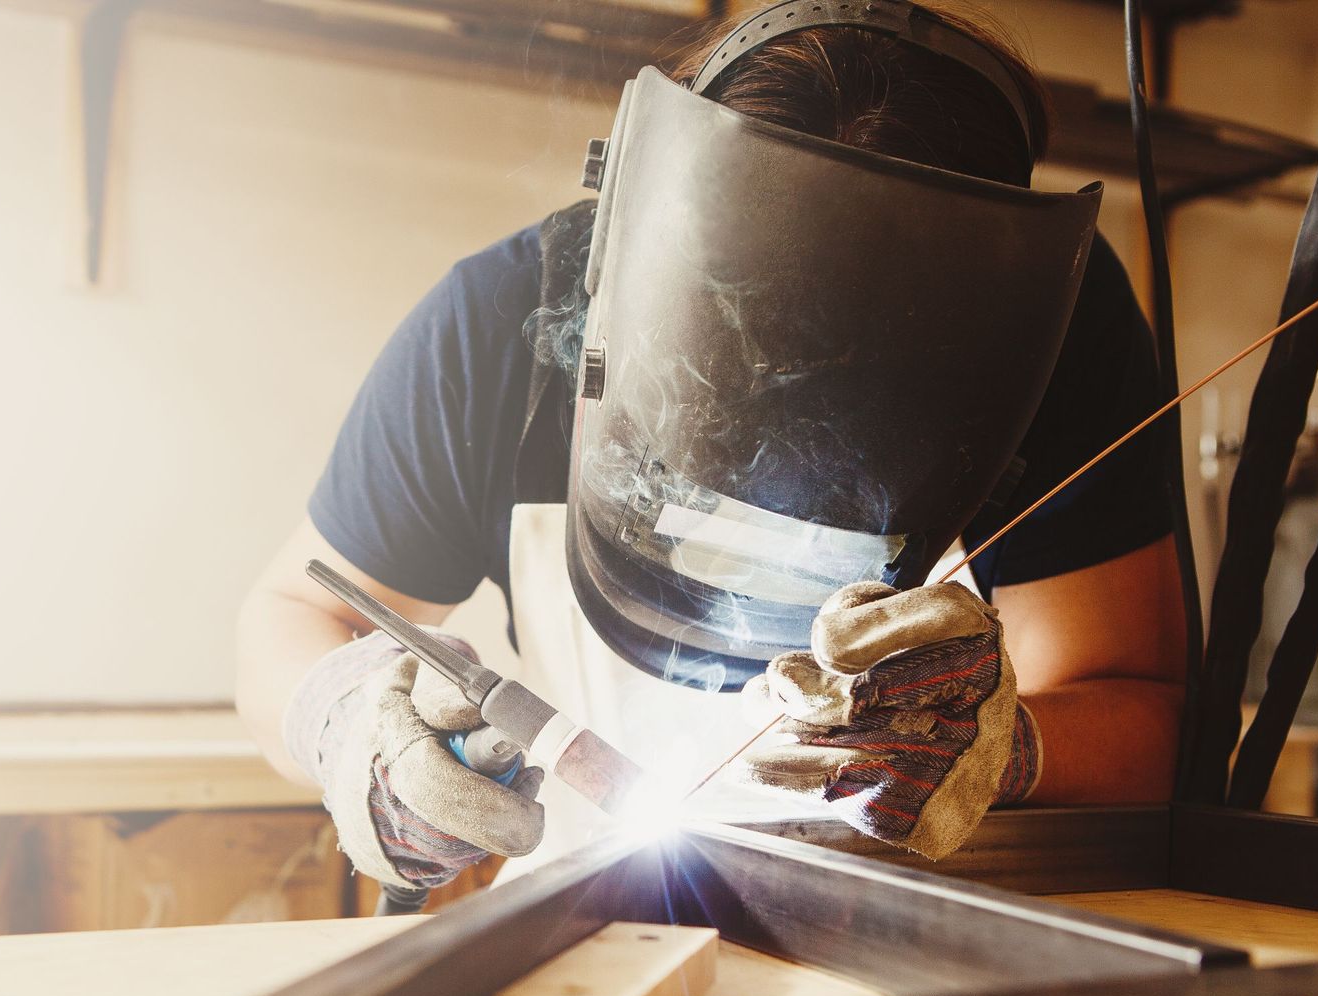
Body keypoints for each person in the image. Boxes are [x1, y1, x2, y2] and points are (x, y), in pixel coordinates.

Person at [238, 1, 1186, 899]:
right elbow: (289, 617)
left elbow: (1141, 726)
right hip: (605, 934)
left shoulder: (1049, 331)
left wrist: (1007, 748)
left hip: (941, 936)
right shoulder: (507, 323)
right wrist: (350, 726)